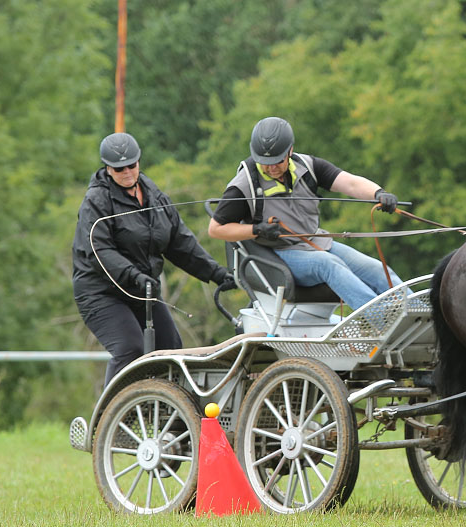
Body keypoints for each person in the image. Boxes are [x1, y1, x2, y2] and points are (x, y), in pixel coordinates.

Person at [72, 132, 235, 384]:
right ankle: (107, 419)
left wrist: (216, 273)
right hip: (101, 293)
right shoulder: (96, 201)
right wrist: (134, 275)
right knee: (130, 348)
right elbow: (98, 251)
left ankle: (167, 414)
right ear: (107, 168)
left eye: (132, 165)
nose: (127, 172)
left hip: (143, 290)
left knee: (171, 348)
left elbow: (179, 242)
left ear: (139, 162)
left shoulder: (152, 194)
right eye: (119, 168)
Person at [207, 116, 404, 311]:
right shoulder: (243, 185)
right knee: (329, 265)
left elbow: (350, 183)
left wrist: (379, 193)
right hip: (281, 254)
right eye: (265, 162)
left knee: (377, 269)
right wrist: (256, 229)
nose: (272, 167)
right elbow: (216, 229)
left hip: (317, 242)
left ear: (290, 150)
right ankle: (384, 319)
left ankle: (421, 319)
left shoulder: (308, 166)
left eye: (278, 160)